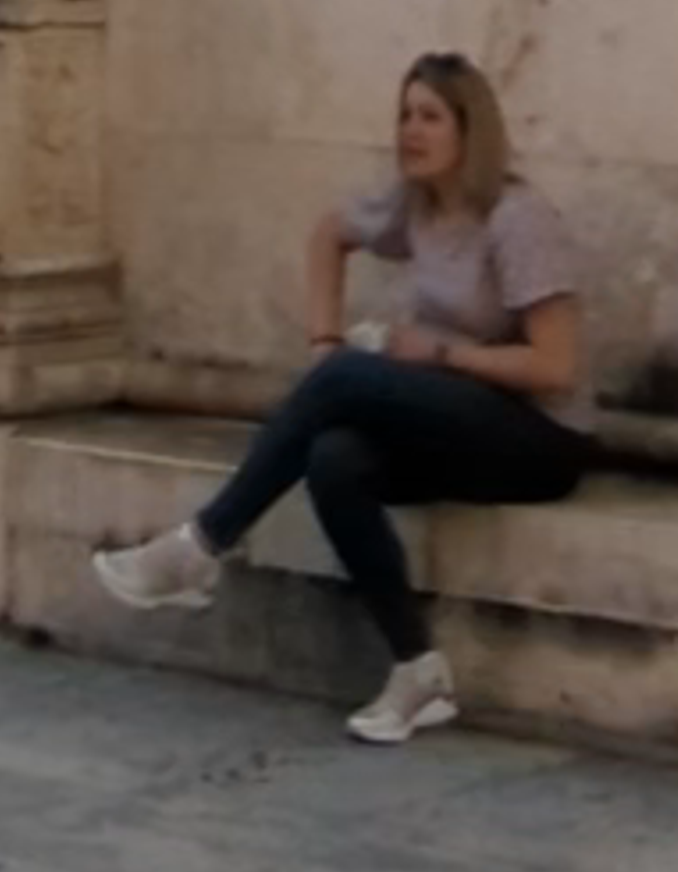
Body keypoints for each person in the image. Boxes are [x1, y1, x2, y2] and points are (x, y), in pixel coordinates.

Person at [91, 51, 588, 742]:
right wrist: (325, 340)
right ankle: (417, 668)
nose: (410, 131)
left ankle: (203, 544)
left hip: (537, 439)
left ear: (470, 129)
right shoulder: (414, 206)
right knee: (334, 456)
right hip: (451, 416)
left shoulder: (517, 217)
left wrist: (440, 353)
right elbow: (329, 233)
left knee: (349, 377)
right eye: (404, 114)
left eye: (430, 117)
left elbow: (557, 366)